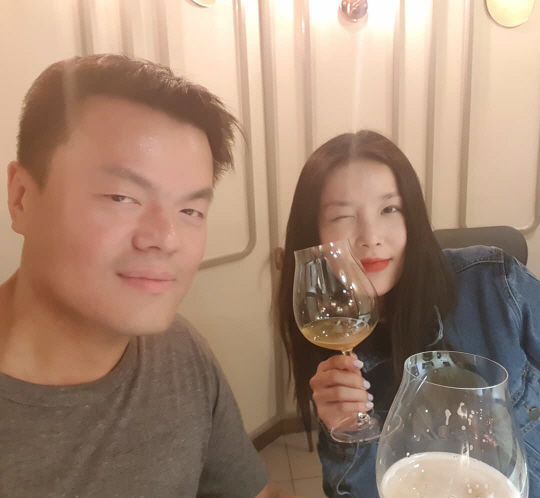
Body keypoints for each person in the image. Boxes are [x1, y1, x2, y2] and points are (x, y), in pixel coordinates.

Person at [0, 54, 294, 498]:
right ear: (22, 197)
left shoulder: (178, 350)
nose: (166, 238)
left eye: (190, 210)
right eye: (122, 197)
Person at [276, 130, 540, 497]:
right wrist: (347, 433)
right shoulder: (333, 338)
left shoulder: (493, 282)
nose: (371, 237)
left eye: (389, 209)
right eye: (342, 216)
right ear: (315, 234)